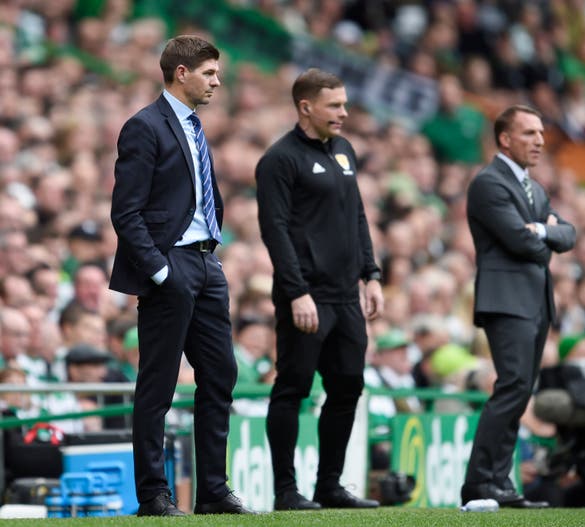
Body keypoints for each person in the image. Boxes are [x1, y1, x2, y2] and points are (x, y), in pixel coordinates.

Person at [109, 35, 251, 516]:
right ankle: (153, 495)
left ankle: (213, 491)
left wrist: (208, 258)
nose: (218, 81)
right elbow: (125, 213)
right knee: (159, 384)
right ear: (181, 72)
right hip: (171, 265)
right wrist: (161, 271)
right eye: (210, 72)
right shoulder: (144, 127)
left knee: (221, 374)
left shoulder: (194, 127)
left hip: (207, 263)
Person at [255, 68, 384, 511]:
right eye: (335, 105)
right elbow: (274, 231)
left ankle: (330, 484)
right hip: (306, 295)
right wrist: (295, 292)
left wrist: (371, 273)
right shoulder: (279, 159)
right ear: (306, 107)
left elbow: (358, 216)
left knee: (348, 386)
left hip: (346, 296)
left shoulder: (344, 151)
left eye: (345, 105)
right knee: (292, 387)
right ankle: (286, 491)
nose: (344, 113)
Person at [461, 105, 576, 508]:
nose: (540, 141)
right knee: (511, 387)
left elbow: (569, 233)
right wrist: (545, 237)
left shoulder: (535, 189)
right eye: (529, 133)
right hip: (506, 301)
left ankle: (499, 482)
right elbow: (522, 243)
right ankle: (478, 485)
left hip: (534, 301)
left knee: (521, 390)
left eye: (541, 133)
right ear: (505, 139)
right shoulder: (489, 184)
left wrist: (543, 228)